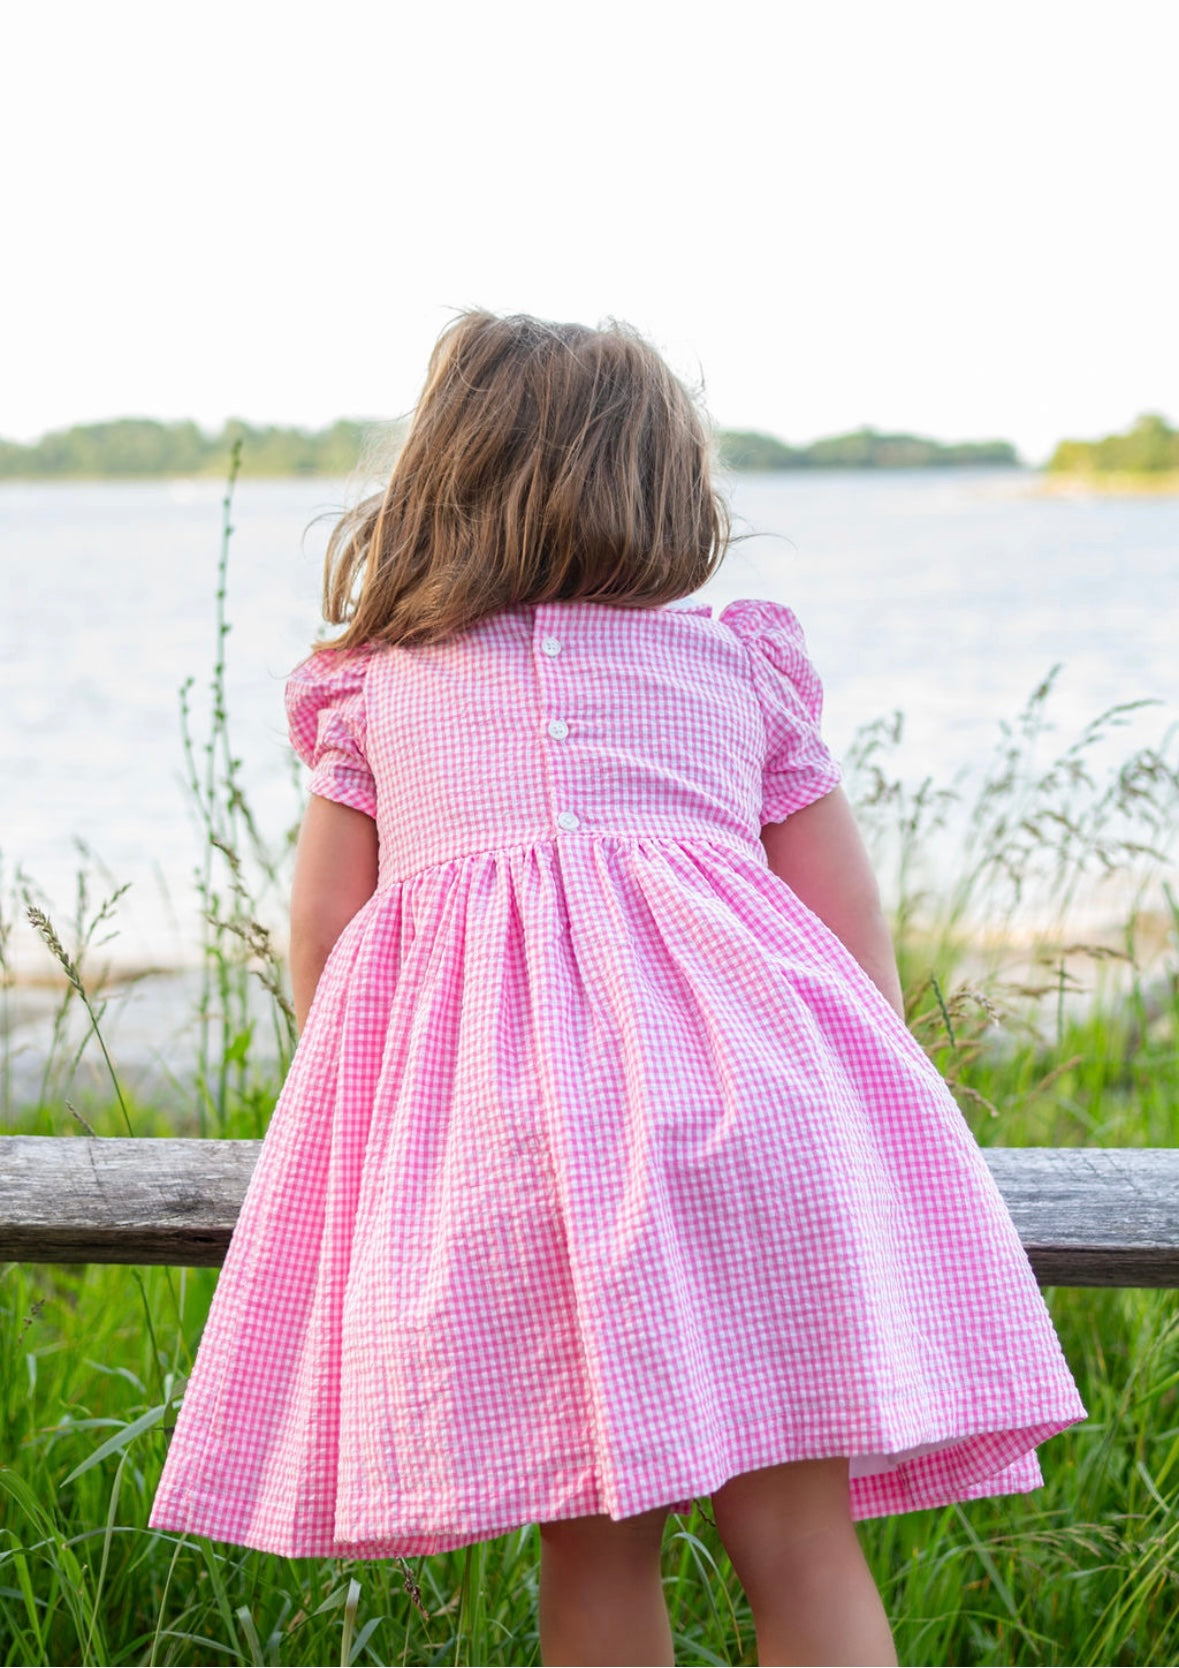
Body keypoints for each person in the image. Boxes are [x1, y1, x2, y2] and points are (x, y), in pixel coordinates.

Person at [150, 310, 1087, 1666]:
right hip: (762, 1134)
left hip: (524, 1162)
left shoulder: (380, 692)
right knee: (802, 1546)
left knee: (596, 1543)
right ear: (668, 487)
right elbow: (852, 946)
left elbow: (326, 945)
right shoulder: (735, 668)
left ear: (442, 481)